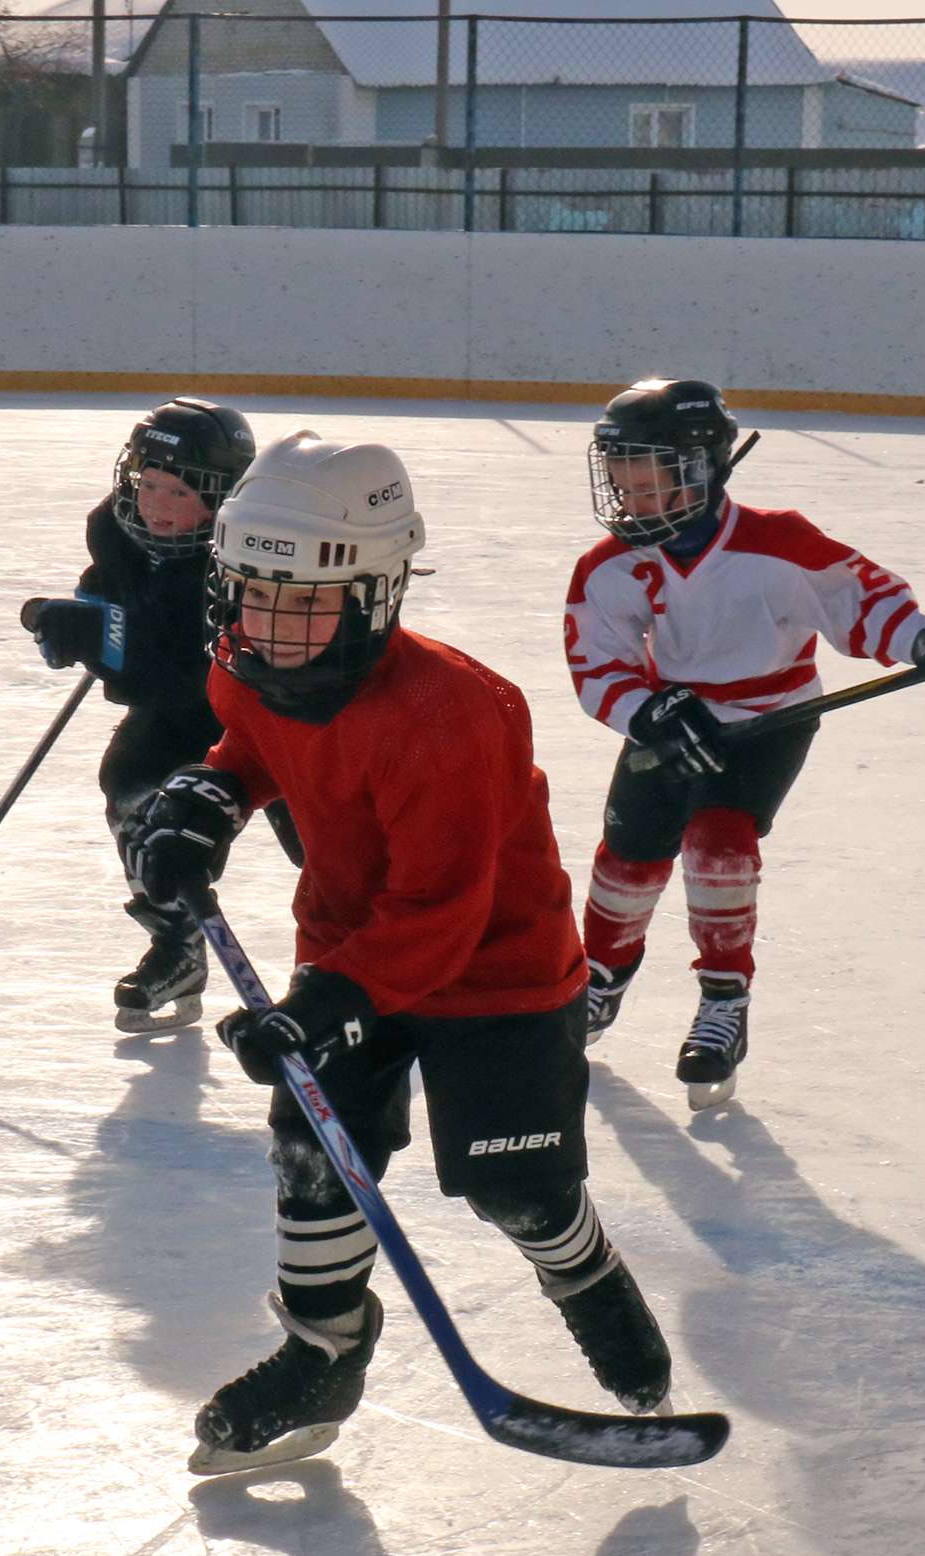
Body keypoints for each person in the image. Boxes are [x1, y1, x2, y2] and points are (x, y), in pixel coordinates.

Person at [122, 431, 675, 1474]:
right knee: (315, 1152)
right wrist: (211, 794)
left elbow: (443, 909)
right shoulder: (245, 668)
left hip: (495, 976)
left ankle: (587, 1275)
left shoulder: (455, 714)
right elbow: (255, 745)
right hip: (350, 952)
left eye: (305, 601)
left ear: (376, 594)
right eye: (254, 594)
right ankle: (323, 1350)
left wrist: (330, 1001)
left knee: (519, 1190)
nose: (274, 626)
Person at [564, 377, 925, 1110]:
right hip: (676, 722)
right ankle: (601, 979)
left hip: (771, 721)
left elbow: (859, 601)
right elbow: (597, 663)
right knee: (628, 859)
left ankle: (723, 1003)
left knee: (719, 844)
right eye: (622, 485)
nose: (630, 502)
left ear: (701, 470)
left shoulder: (779, 542)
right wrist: (649, 713)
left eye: (648, 486)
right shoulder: (609, 566)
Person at [17, 398, 300, 1032]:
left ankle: (370, 967)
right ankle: (178, 946)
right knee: (132, 784)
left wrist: (106, 644)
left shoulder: (247, 555)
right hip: (178, 708)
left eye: (179, 493)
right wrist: (67, 619)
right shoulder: (114, 531)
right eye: (148, 484)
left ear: (223, 499)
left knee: (322, 841)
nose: (157, 504)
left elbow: (180, 665)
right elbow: (113, 611)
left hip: (272, 713)